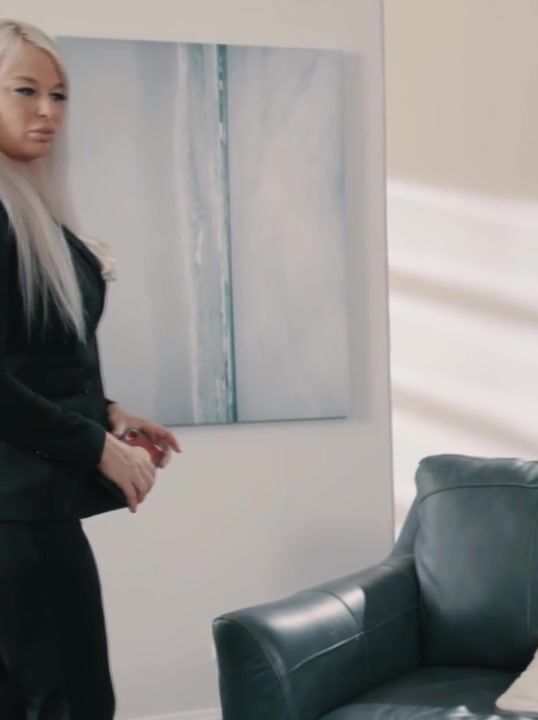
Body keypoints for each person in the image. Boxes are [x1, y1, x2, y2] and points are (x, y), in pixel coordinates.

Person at [0, 19, 182, 718]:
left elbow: (29, 361)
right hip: (19, 519)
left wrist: (107, 414)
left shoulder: (29, 214)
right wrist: (95, 447)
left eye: (59, 95)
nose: (47, 111)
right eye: (25, 90)